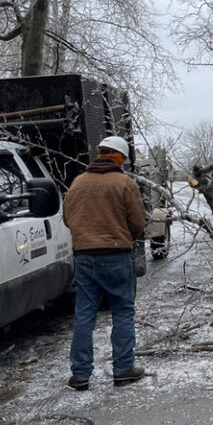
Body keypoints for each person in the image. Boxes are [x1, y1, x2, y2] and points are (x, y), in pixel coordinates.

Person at [63, 135, 147, 390]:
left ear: (100, 154)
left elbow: (68, 219)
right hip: (116, 254)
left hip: (85, 256)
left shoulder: (77, 183)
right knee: (122, 310)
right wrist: (124, 237)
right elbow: (138, 223)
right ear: (120, 158)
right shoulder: (124, 182)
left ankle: (80, 375)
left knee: (84, 313)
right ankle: (123, 370)